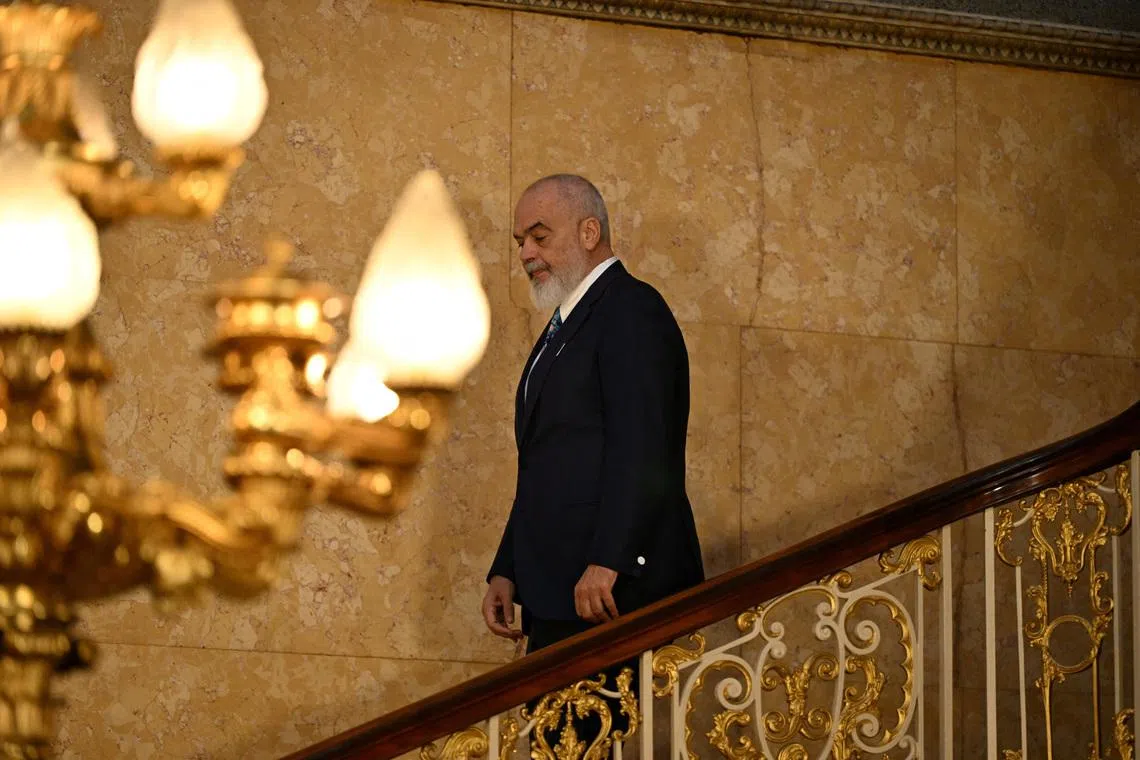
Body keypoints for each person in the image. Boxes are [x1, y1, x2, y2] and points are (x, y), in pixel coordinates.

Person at [482, 173, 704, 667]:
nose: (525, 254)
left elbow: (645, 448)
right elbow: (550, 461)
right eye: (522, 242)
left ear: (588, 233)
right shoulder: (568, 324)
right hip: (558, 589)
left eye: (540, 237)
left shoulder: (631, 310)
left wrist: (609, 560)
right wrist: (508, 568)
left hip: (604, 593)